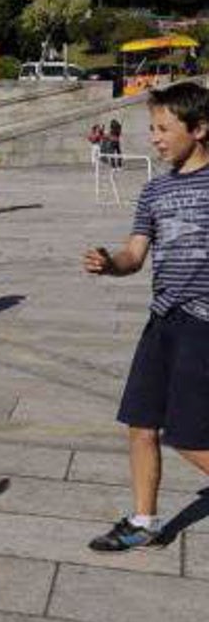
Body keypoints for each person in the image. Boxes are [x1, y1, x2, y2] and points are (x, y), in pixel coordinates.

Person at [84, 81, 209, 553]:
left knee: (191, 437)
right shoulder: (154, 190)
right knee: (141, 423)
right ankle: (144, 521)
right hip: (163, 322)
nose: (154, 138)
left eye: (163, 128)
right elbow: (135, 254)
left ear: (199, 129)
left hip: (204, 326)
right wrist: (108, 263)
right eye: (151, 128)